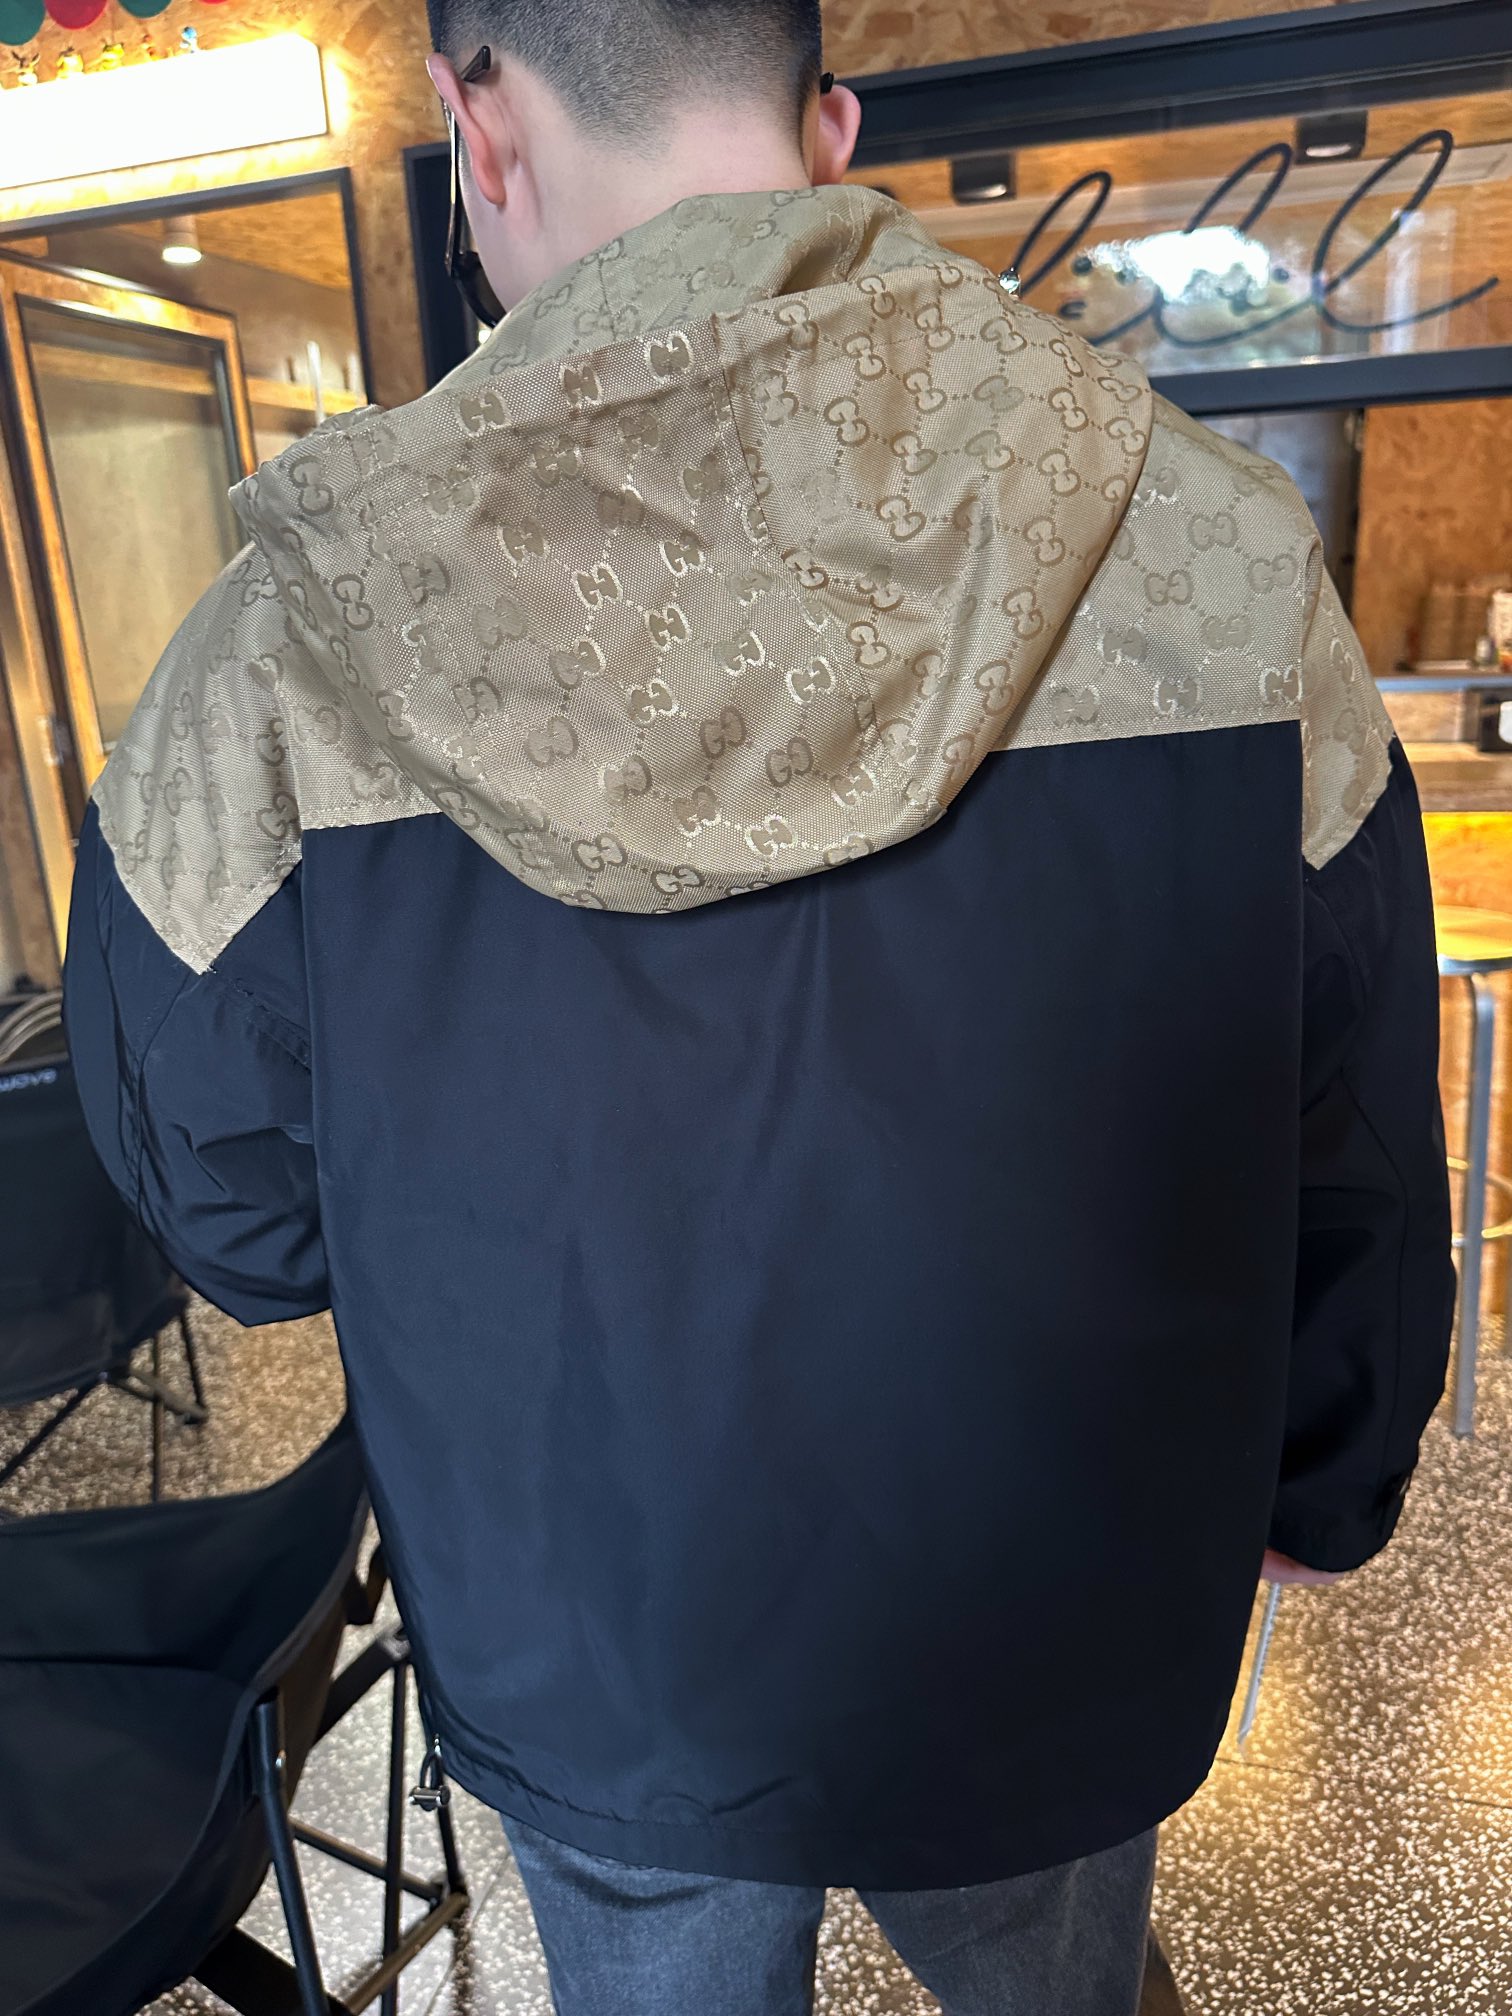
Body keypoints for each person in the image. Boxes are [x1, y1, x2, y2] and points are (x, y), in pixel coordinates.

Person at [63, 2, 1454, 2010]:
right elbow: (1347, 1117)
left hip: (596, 1641)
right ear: (831, 129)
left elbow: (237, 1218)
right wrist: (1330, 1471)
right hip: (1058, 1600)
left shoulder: (282, 648)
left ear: (478, 127)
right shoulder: (1218, 559)